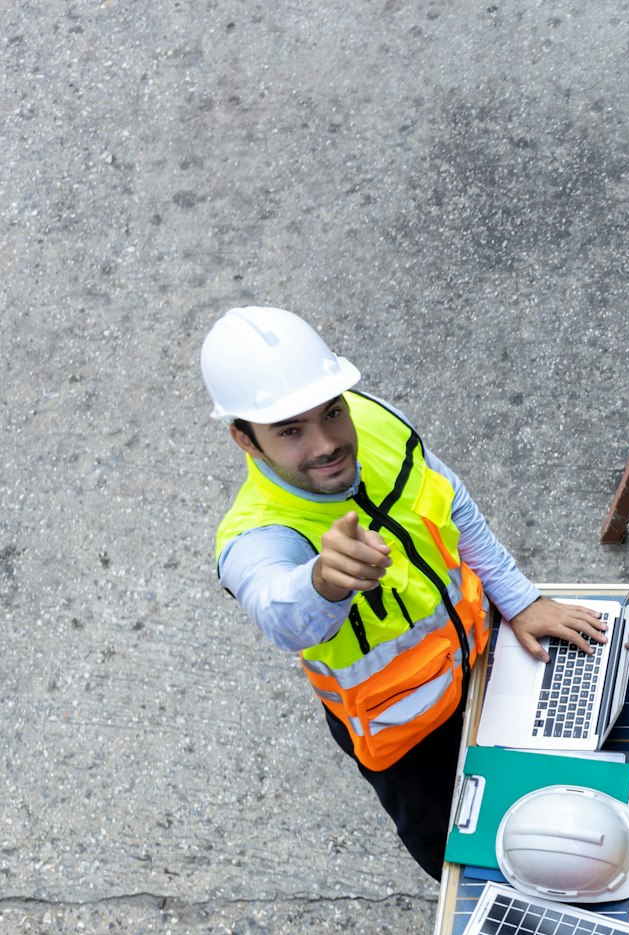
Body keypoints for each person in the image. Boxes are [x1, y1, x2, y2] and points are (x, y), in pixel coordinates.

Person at [206, 306, 605, 880]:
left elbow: (451, 499)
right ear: (244, 438)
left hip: (484, 663)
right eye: (290, 430)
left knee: (540, 815)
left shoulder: (373, 421)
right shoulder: (256, 534)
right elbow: (279, 613)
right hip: (411, 743)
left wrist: (518, 598)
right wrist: (322, 581)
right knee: (464, 861)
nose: (326, 443)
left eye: (331, 412)